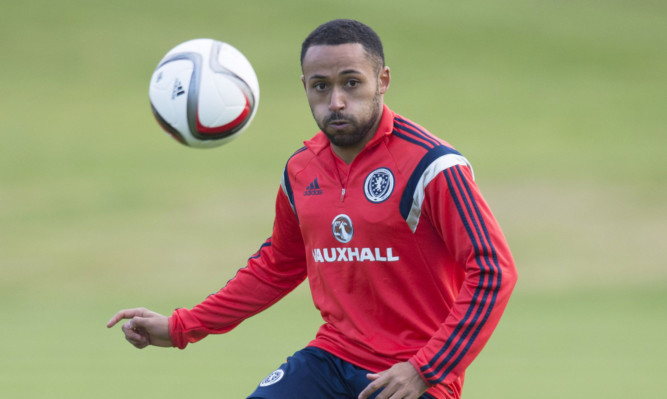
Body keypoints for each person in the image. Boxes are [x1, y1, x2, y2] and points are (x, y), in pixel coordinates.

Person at [107, 19, 517, 399]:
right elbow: (276, 267)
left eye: (351, 83)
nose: (336, 101)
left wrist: (425, 370)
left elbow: (493, 270)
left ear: (383, 80)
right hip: (331, 358)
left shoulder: (432, 166)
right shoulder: (301, 170)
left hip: (410, 374)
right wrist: (181, 326)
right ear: (304, 86)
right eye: (320, 86)